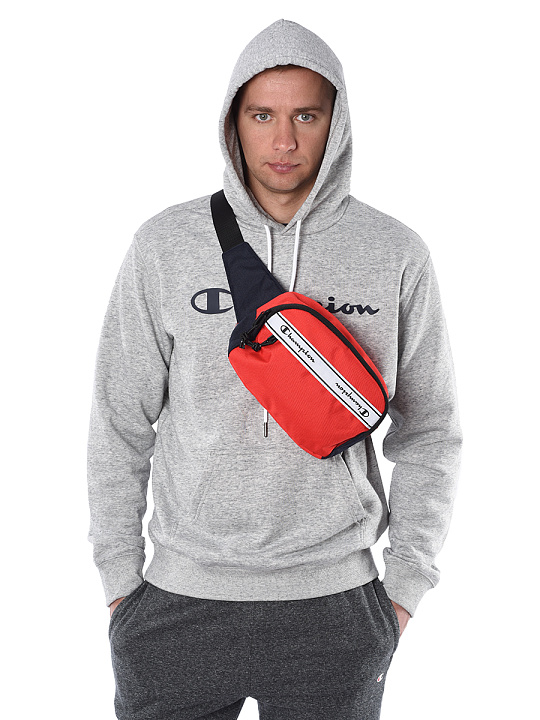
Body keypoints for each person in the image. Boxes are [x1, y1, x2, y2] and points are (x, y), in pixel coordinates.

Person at [87, 18, 462, 720]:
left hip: (335, 607)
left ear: (336, 124)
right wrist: (119, 584)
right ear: (233, 122)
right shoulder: (165, 245)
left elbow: (432, 431)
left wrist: (404, 588)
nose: (283, 141)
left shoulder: (395, 253)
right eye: (263, 115)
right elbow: (119, 419)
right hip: (176, 604)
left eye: (306, 116)